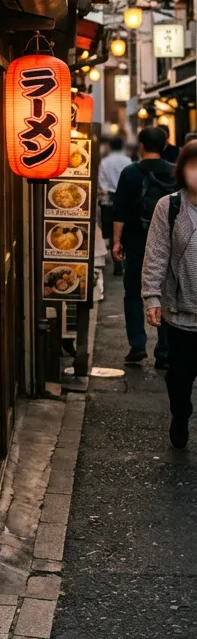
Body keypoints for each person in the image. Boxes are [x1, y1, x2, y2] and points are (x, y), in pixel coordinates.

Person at [142, 140, 197, 449]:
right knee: (179, 378)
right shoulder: (170, 206)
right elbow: (156, 255)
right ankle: (180, 415)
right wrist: (152, 297)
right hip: (179, 315)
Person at [112, 126, 176, 367]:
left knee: (132, 293)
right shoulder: (174, 172)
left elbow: (120, 210)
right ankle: (165, 351)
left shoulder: (130, 173)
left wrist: (117, 241)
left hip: (137, 241)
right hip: (168, 243)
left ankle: (137, 345)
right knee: (166, 294)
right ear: (164, 145)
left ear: (140, 145)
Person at [99, 136, 130, 274]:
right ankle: (123, 261)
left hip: (109, 199)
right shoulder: (127, 161)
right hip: (125, 198)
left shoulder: (105, 162)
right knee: (123, 230)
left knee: (112, 232)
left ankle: (116, 263)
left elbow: (102, 183)